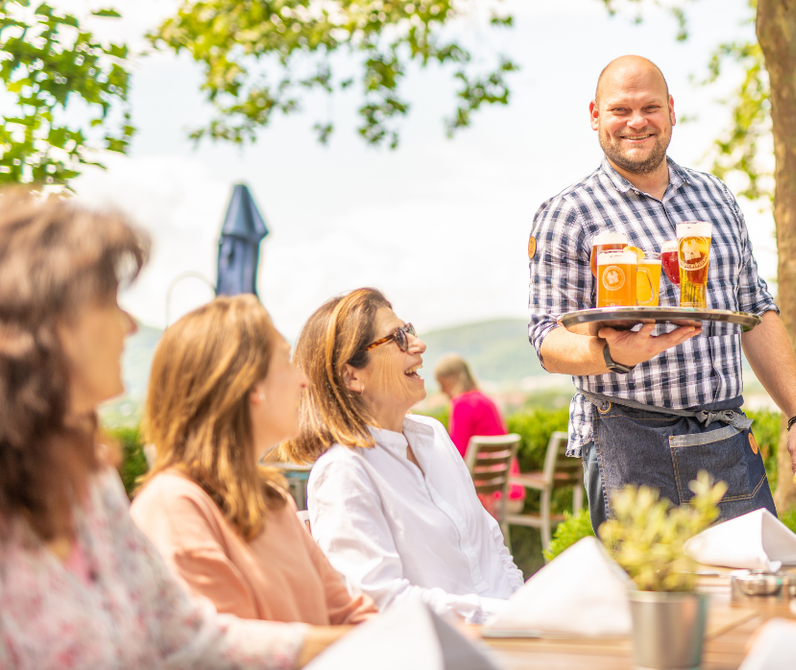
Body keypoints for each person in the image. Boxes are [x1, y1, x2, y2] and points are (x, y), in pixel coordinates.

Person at [0, 191, 345, 669]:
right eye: (107, 302)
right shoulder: (167, 502)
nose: (129, 325)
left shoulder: (89, 484)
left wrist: (398, 646)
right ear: (41, 321)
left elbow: (185, 638)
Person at [527, 54, 796, 529]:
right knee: (654, 600)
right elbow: (546, 340)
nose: (636, 121)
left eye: (649, 107)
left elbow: (754, 309)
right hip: (628, 440)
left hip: (726, 439)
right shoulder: (568, 212)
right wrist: (612, 352)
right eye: (620, 110)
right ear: (594, 115)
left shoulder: (718, 197)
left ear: (671, 110)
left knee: (750, 590)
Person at [130, 295, 378, 627]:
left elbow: (348, 615)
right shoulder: (174, 506)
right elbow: (237, 654)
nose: (303, 381)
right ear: (250, 384)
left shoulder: (273, 500)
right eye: (285, 362)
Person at [276, 288, 523, 622]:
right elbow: (382, 602)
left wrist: (523, 611)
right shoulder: (345, 473)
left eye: (410, 331)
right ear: (352, 375)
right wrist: (503, 617)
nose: (418, 346)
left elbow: (492, 545)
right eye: (397, 338)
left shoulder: (433, 435)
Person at [434, 354, 524, 515]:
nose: (441, 391)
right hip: (510, 490)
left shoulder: (460, 403)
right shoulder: (487, 400)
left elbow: (457, 454)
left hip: (487, 496)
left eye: (442, 384)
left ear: (453, 378)